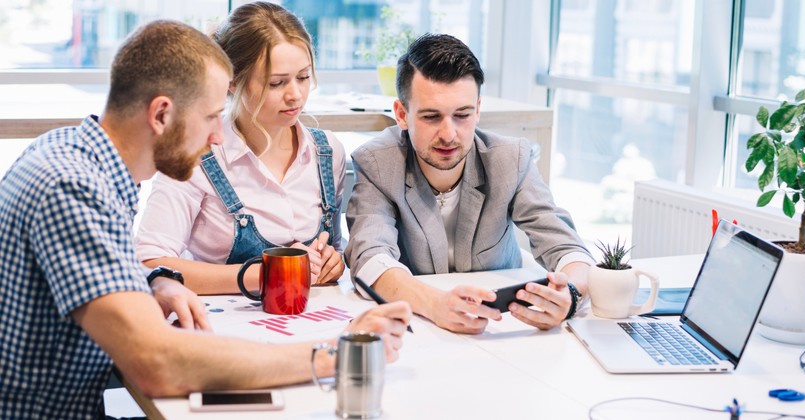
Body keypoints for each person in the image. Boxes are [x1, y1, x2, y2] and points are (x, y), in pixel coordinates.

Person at [0, 20, 410, 418]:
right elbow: (158, 363)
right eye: (212, 116)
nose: (218, 136)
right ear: (161, 115)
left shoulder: (71, 152)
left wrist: (152, 280)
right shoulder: (74, 188)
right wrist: (335, 352)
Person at [345, 33, 592, 335]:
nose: (449, 134)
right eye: (431, 117)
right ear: (402, 114)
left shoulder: (510, 158)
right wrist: (435, 305)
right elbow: (370, 259)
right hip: (420, 330)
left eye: (462, 115)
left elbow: (567, 246)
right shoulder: (376, 163)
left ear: (477, 110)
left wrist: (570, 296)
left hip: (503, 329)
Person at [136, 2, 345, 294]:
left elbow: (334, 247)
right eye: (276, 83)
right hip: (223, 326)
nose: (295, 95)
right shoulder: (196, 156)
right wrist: (260, 275)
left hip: (313, 319)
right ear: (232, 81)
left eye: (303, 77)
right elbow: (148, 263)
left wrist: (335, 261)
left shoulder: (328, 152)